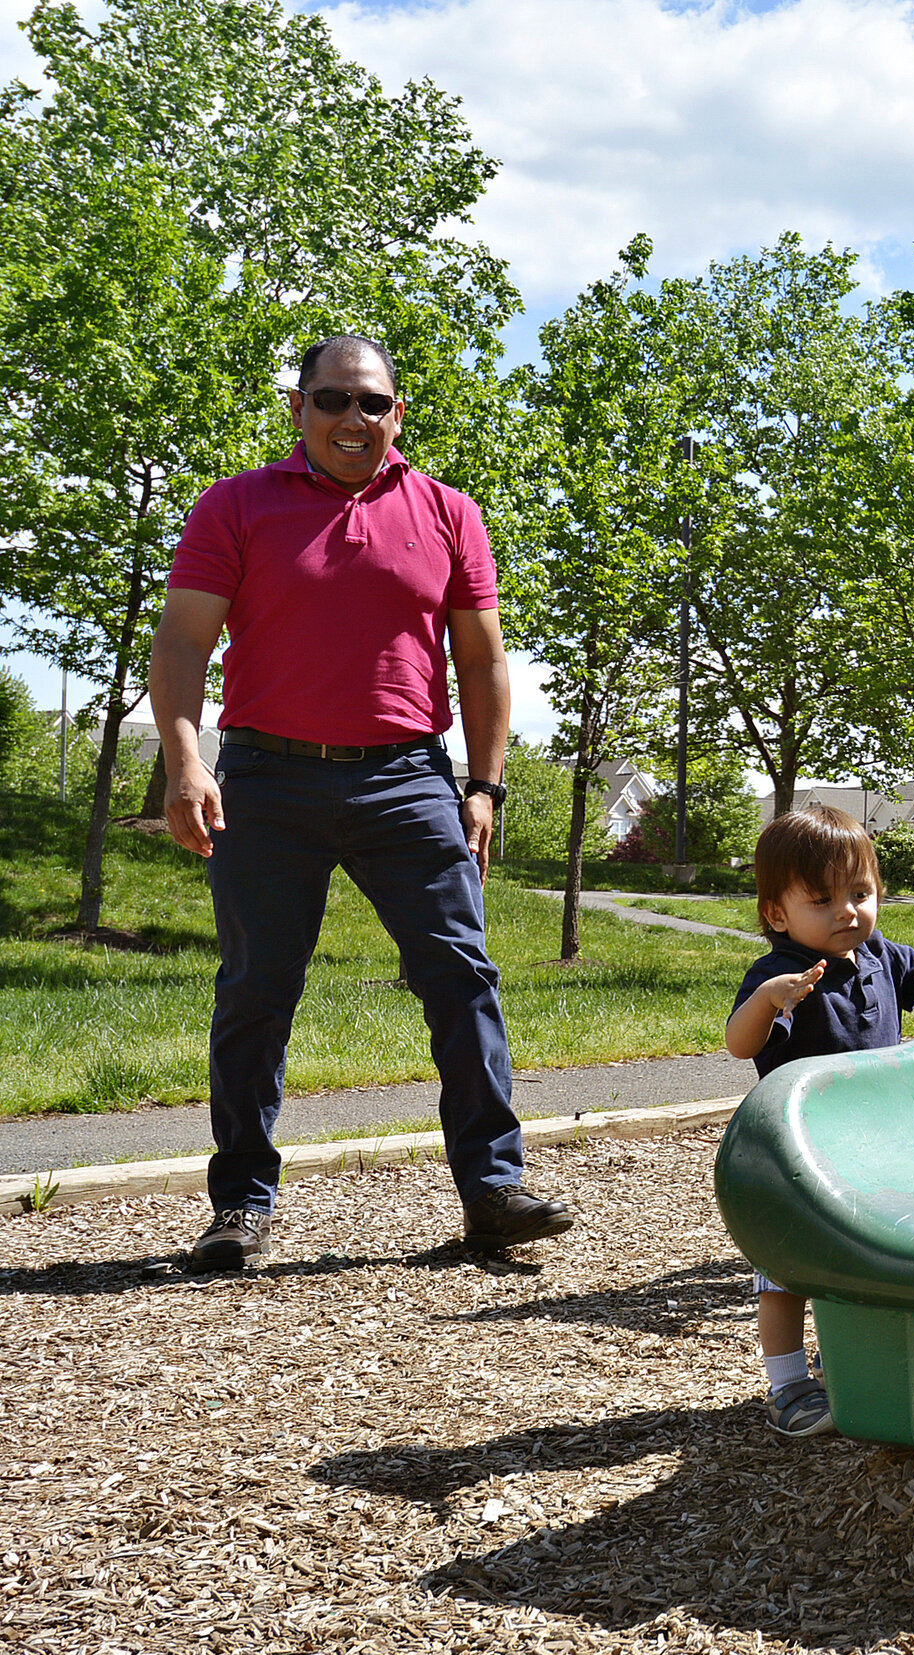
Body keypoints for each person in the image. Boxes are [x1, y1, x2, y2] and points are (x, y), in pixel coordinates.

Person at [149, 333, 576, 1273]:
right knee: (256, 992)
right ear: (297, 408)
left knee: (462, 978)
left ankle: (493, 1192)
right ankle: (241, 1209)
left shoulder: (450, 514)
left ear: (397, 414)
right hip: (267, 776)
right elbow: (181, 643)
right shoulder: (236, 506)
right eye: (333, 400)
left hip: (409, 778)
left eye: (371, 402)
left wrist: (483, 782)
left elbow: (483, 663)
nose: (353, 418)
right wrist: (188, 761)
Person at [725, 805, 914, 1435]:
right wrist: (770, 1001)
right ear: (777, 914)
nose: (848, 911)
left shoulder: (879, 954)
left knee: (889, 1251)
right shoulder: (780, 975)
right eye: (823, 899)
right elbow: (740, 1044)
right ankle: (788, 1384)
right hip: (806, 1150)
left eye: (860, 893)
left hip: (884, 1143)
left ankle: (872, 1360)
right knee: (785, 1270)